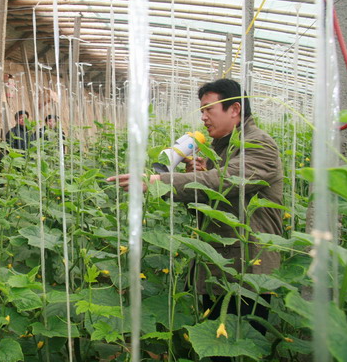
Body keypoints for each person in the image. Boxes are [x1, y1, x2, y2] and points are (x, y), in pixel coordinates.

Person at [108, 79, 283, 337]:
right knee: (215, 344)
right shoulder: (221, 151)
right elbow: (210, 203)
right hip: (221, 267)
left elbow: (224, 183)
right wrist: (198, 175)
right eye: (201, 110)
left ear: (234, 110)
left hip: (248, 270)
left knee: (243, 344)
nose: (203, 117)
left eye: (208, 109)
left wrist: (159, 181)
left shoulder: (260, 144)